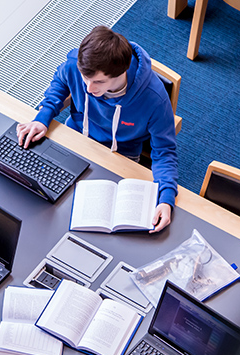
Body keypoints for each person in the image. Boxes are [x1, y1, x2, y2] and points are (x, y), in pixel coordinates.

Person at [17, 26, 178, 233]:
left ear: (120, 73)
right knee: (39, 205)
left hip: (120, 157)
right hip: (76, 140)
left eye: (99, 82)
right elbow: (61, 81)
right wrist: (42, 117)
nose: (89, 89)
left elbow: (165, 153)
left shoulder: (155, 100)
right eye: (86, 79)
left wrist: (166, 199)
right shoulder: (78, 66)